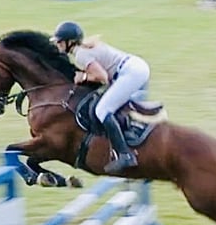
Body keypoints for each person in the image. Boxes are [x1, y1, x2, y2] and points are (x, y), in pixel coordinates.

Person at [51, 21, 149, 174]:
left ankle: (125, 155)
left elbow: (102, 77)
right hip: (135, 67)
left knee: (102, 110)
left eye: (60, 41)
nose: (57, 44)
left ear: (70, 42)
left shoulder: (80, 54)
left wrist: (82, 77)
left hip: (131, 72)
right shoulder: (84, 48)